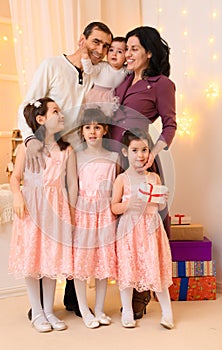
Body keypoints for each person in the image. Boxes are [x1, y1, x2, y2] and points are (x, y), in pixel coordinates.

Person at [17, 21, 113, 317]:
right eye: (96, 42)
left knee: (74, 220)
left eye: (106, 46)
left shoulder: (95, 75)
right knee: (44, 228)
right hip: (45, 152)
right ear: (81, 39)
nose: (100, 50)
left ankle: (73, 295)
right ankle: (41, 307)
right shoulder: (52, 66)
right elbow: (28, 104)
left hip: (75, 154)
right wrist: (31, 139)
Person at [110, 26, 177, 319]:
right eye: (127, 49)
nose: (128, 54)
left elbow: (170, 124)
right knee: (119, 226)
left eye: (134, 49)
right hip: (113, 158)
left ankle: (142, 296)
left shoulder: (162, 84)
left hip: (139, 159)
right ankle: (122, 287)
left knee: (146, 228)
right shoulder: (123, 80)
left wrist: (154, 153)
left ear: (149, 52)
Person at [8, 97, 78, 332]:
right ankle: (37, 312)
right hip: (31, 208)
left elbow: (70, 186)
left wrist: (71, 214)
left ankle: (49, 309)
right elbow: (14, 178)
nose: (61, 115)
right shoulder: (26, 147)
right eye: (55, 111)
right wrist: (17, 196)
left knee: (51, 259)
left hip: (55, 209)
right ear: (41, 119)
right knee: (32, 259)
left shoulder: (66, 150)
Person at [111, 129, 174, 329]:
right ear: (125, 152)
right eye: (135, 150)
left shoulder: (154, 178)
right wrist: (128, 204)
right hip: (129, 230)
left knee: (156, 268)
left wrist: (162, 200)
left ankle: (167, 312)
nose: (140, 155)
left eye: (144, 150)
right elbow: (114, 207)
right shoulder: (121, 179)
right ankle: (127, 311)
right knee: (129, 270)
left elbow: (160, 207)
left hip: (151, 228)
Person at [73, 108, 120, 328]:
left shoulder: (113, 156)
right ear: (82, 131)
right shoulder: (76, 155)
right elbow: (73, 188)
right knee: (82, 263)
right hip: (84, 212)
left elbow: (116, 188)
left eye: (97, 127)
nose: (92, 132)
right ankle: (84, 309)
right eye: (88, 127)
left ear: (105, 130)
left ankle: (99, 309)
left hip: (106, 212)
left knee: (104, 261)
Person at [81, 36, 128, 116]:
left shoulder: (126, 70)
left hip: (111, 97)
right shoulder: (102, 66)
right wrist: (85, 57)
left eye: (119, 52)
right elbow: (89, 70)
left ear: (126, 56)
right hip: (96, 96)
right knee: (92, 117)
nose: (114, 54)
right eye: (111, 50)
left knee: (107, 120)